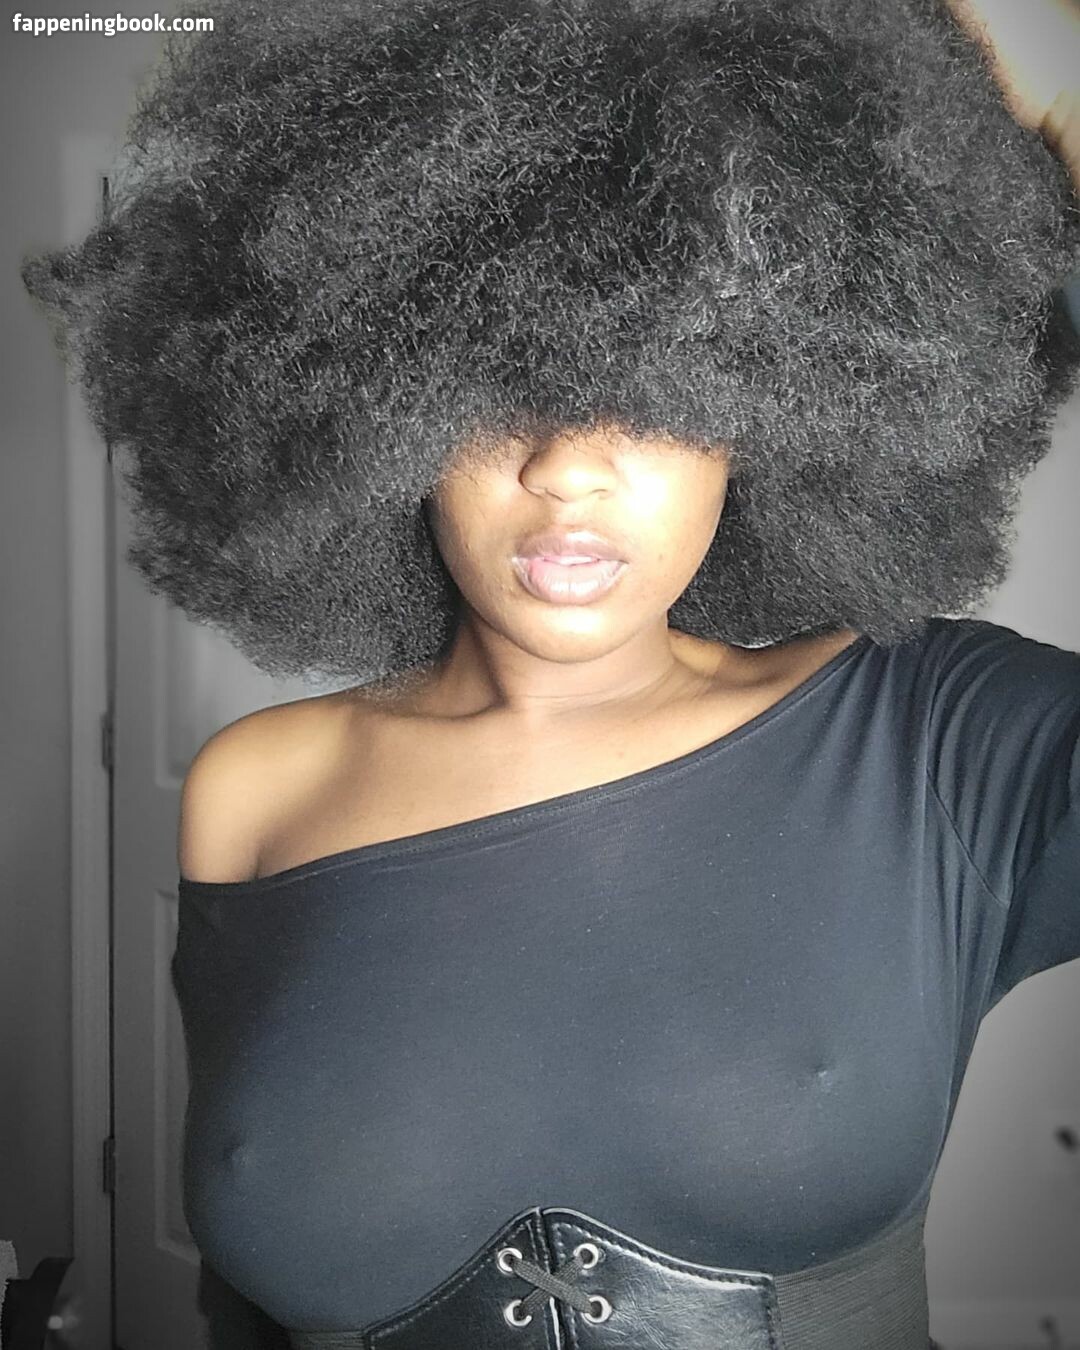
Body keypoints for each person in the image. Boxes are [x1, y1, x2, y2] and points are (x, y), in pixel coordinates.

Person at [20, 0, 1080, 1345]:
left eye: (660, 393)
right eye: (494, 391)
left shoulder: (936, 739)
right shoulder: (257, 792)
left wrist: (1006, 131)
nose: (568, 469)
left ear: (778, 407)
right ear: (374, 410)